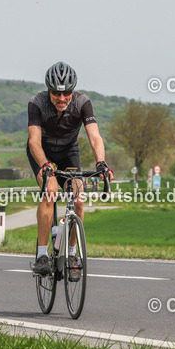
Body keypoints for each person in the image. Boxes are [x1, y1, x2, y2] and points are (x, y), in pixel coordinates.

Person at [28, 62, 112, 277]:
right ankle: (41, 256)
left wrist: (101, 162)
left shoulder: (83, 102)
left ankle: (73, 253)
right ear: (49, 90)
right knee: (50, 193)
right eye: (56, 93)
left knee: (78, 196)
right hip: (43, 153)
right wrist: (45, 166)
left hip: (68, 153)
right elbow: (34, 141)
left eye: (67, 93)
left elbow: (94, 136)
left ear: (73, 91)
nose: (62, 98)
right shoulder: (37, 102)